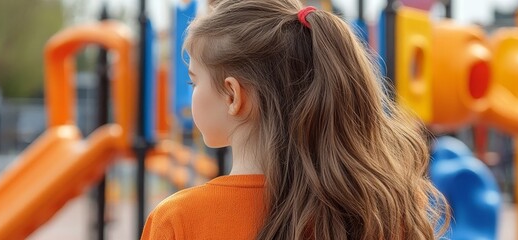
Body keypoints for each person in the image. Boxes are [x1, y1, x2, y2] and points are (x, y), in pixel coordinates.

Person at [142, 0, 448, 239]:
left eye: (194, 82)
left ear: (233, 95)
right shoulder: (383, 211)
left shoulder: (178, 220)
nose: (192, 92)